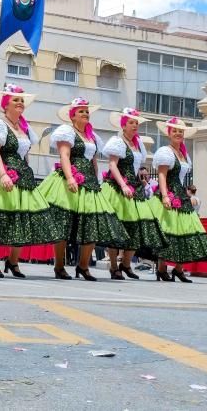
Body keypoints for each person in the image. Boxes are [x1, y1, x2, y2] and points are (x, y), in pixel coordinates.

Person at [0, 84, 62, 279]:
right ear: (6, 105)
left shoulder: (25, 128)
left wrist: (27, 172)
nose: (20, 103)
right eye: (16, 100)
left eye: (22, 100)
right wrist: (3, 174)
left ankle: (13, 262)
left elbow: (25, 153)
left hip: (22, 177)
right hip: (0, 175)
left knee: (21, 218)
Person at [39, 98, 128, 281]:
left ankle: (83, 266)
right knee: (64, 224)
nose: (86, 114)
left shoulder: (92, 136)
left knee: (92, 225)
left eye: (87, 111)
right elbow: (64, 155)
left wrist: (96, 180)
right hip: (69, 180)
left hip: (89, 183)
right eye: (81, 111)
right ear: (72, 116)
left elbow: (94, 161)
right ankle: (59, 266)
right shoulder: (67, 131)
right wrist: (70, 177)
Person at [99, 108, 166, 280]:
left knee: (137, 226)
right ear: (123, 125)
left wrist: (139, 186)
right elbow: (113, 165)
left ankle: (126, 264)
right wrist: (123, 185)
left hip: (134, 188)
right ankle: (114, 267)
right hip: (118, 187)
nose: (135, 125)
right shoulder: (117, 141)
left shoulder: (138, 143)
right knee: (117, 228)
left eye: (136, 122)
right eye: (131, 122)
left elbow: (136, 168)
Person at [151, 117, 207, 282]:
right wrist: (165, 195)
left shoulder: (183, 154)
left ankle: (179, 269)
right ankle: (162, 269)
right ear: (169, 133)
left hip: (181, 195)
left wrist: (189, 196)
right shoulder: (165, 152)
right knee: (167, 231)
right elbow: (162, 175)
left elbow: (181, 179)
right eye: (174, 130)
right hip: (168, 194)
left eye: (180, 131)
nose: (178, 133)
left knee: (185, 231)